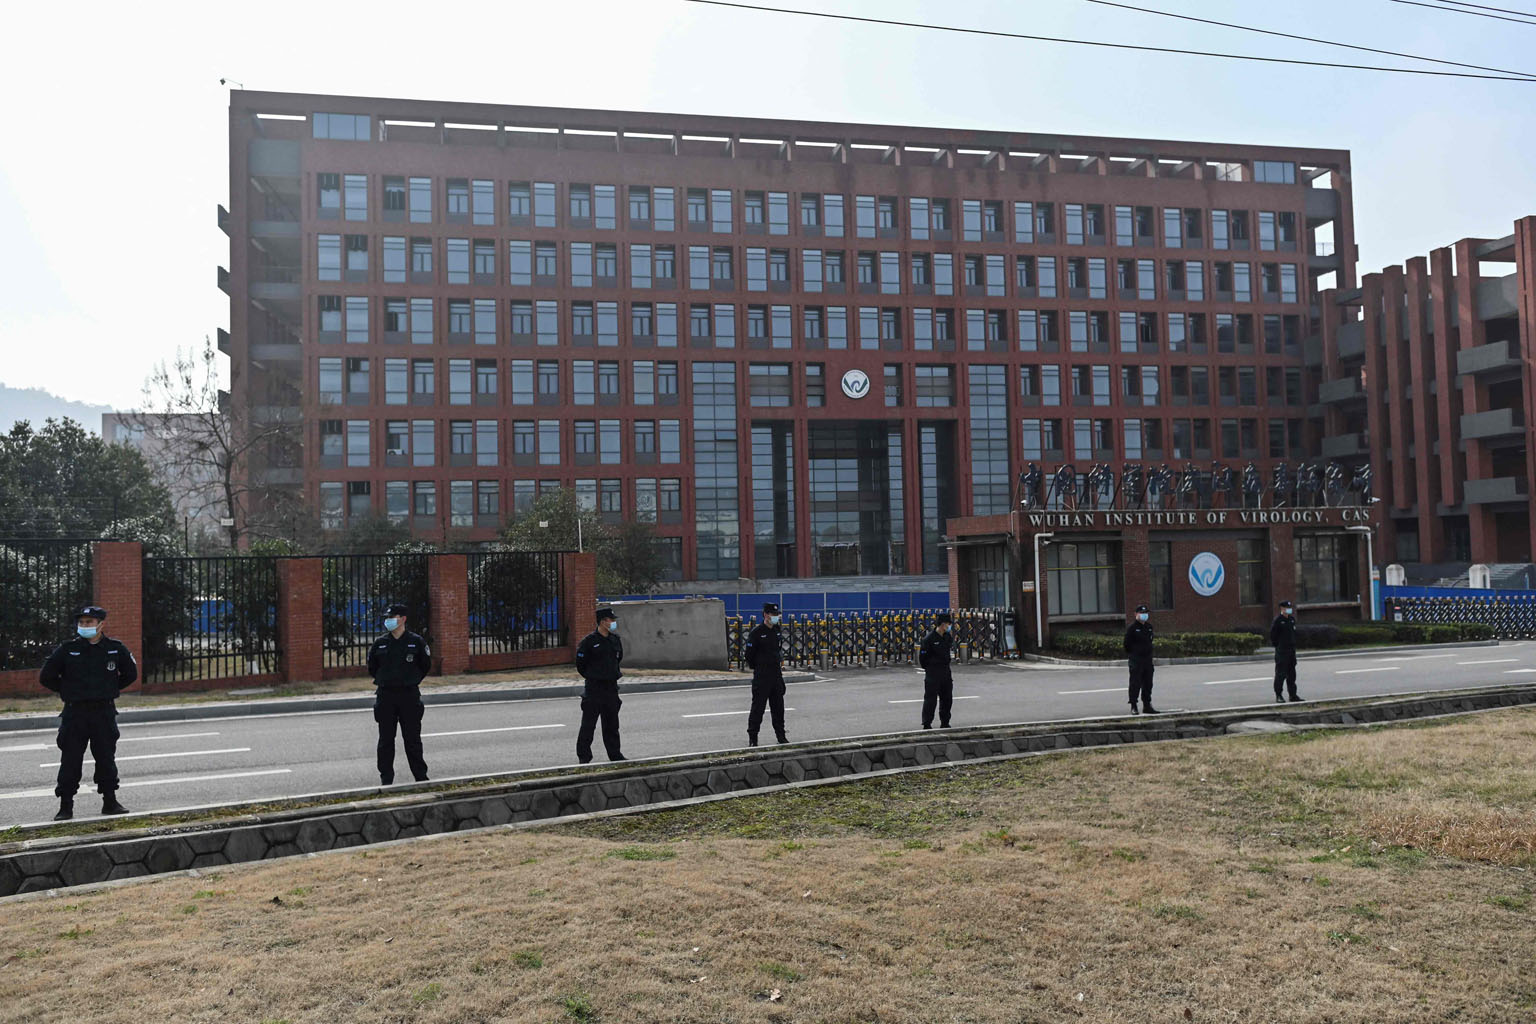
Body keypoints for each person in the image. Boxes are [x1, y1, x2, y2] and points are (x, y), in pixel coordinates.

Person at [39, 604, 138, 820]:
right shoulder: (67, 649)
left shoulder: (114, 648)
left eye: (89, 622)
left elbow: (131, 674)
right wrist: (67, 690)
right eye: (81, 622)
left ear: (101, 624)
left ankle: (110, 802)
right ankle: (66, 806)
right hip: (76, 713)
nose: (84, 626)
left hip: (103, 712)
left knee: (105, 758)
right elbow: (46, 676)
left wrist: (110, 688)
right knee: (71, 759)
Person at [366, 603, 430, 785]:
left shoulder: (416, 642)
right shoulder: (380, 644)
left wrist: (410, 679)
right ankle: (386, 779)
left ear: (403, 619)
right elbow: (373, 668)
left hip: (408, 695)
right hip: (386, 696)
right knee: (386, 740)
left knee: (412, 739)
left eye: (392, 617)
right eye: (388, 617)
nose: (389, 621)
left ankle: (421, 777)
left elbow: (425, 665)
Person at [575, 608, 626, 763]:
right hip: (594, 689)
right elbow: (581, 664)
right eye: (611, 620)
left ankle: (615, 755)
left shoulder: (615, 640)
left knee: (612, 725)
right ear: (603, 621)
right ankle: (584, 758)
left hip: (611, 688)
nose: (613, 623)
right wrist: (594, 676)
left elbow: (618, 658)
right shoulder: (589, 642)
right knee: (588, 726)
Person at [743, 602, 789, 746]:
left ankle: (781, 735)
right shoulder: (756, 633)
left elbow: (778, 650)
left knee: (778, 708)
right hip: (762, 675)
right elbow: (749, 655)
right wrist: (758, 667)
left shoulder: (776, 630)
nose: (775, 617)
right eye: (773, 614)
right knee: (758, 708)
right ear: (765, 615)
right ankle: (753, 737)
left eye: (777, 615)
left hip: (776, 674)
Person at [919, 613, 955, 729]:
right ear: (943, 624)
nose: (949, 626)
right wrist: (929, 668)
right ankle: (927, 723)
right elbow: (922, 658)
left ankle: (945, 722)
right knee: (931, 699)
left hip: (945, 671)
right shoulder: (929, 639)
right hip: (933, 672)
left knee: (947, 698)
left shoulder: (947, 637)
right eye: (948, 624)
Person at [1125, 604, 1158, 715]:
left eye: (1145, 613)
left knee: (1148, 683)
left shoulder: (1149, 627)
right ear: (1136, 614)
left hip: (1147, 660)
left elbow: (1150, 641)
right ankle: (1134, 706)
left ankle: (1147, 705)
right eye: (1142, 613)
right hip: (1136, 660)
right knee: (1135, 683)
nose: (1144, 615)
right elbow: (1126, 645)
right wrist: (1134, 654)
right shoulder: (1132, 628)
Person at [1271, 599, 1302, 703]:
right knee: (1281, 674)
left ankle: (1293, 695)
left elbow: (1294, 634)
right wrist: (1279, 646)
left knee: (1292, 674)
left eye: (1290, 608)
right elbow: (1273, 636)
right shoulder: (1278, 620)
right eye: (1287, 608)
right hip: (1282, 652)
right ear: (1282, 609)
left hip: (1291, 651)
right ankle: (1279, 695)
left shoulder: (1292, 619)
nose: (1289, 610)